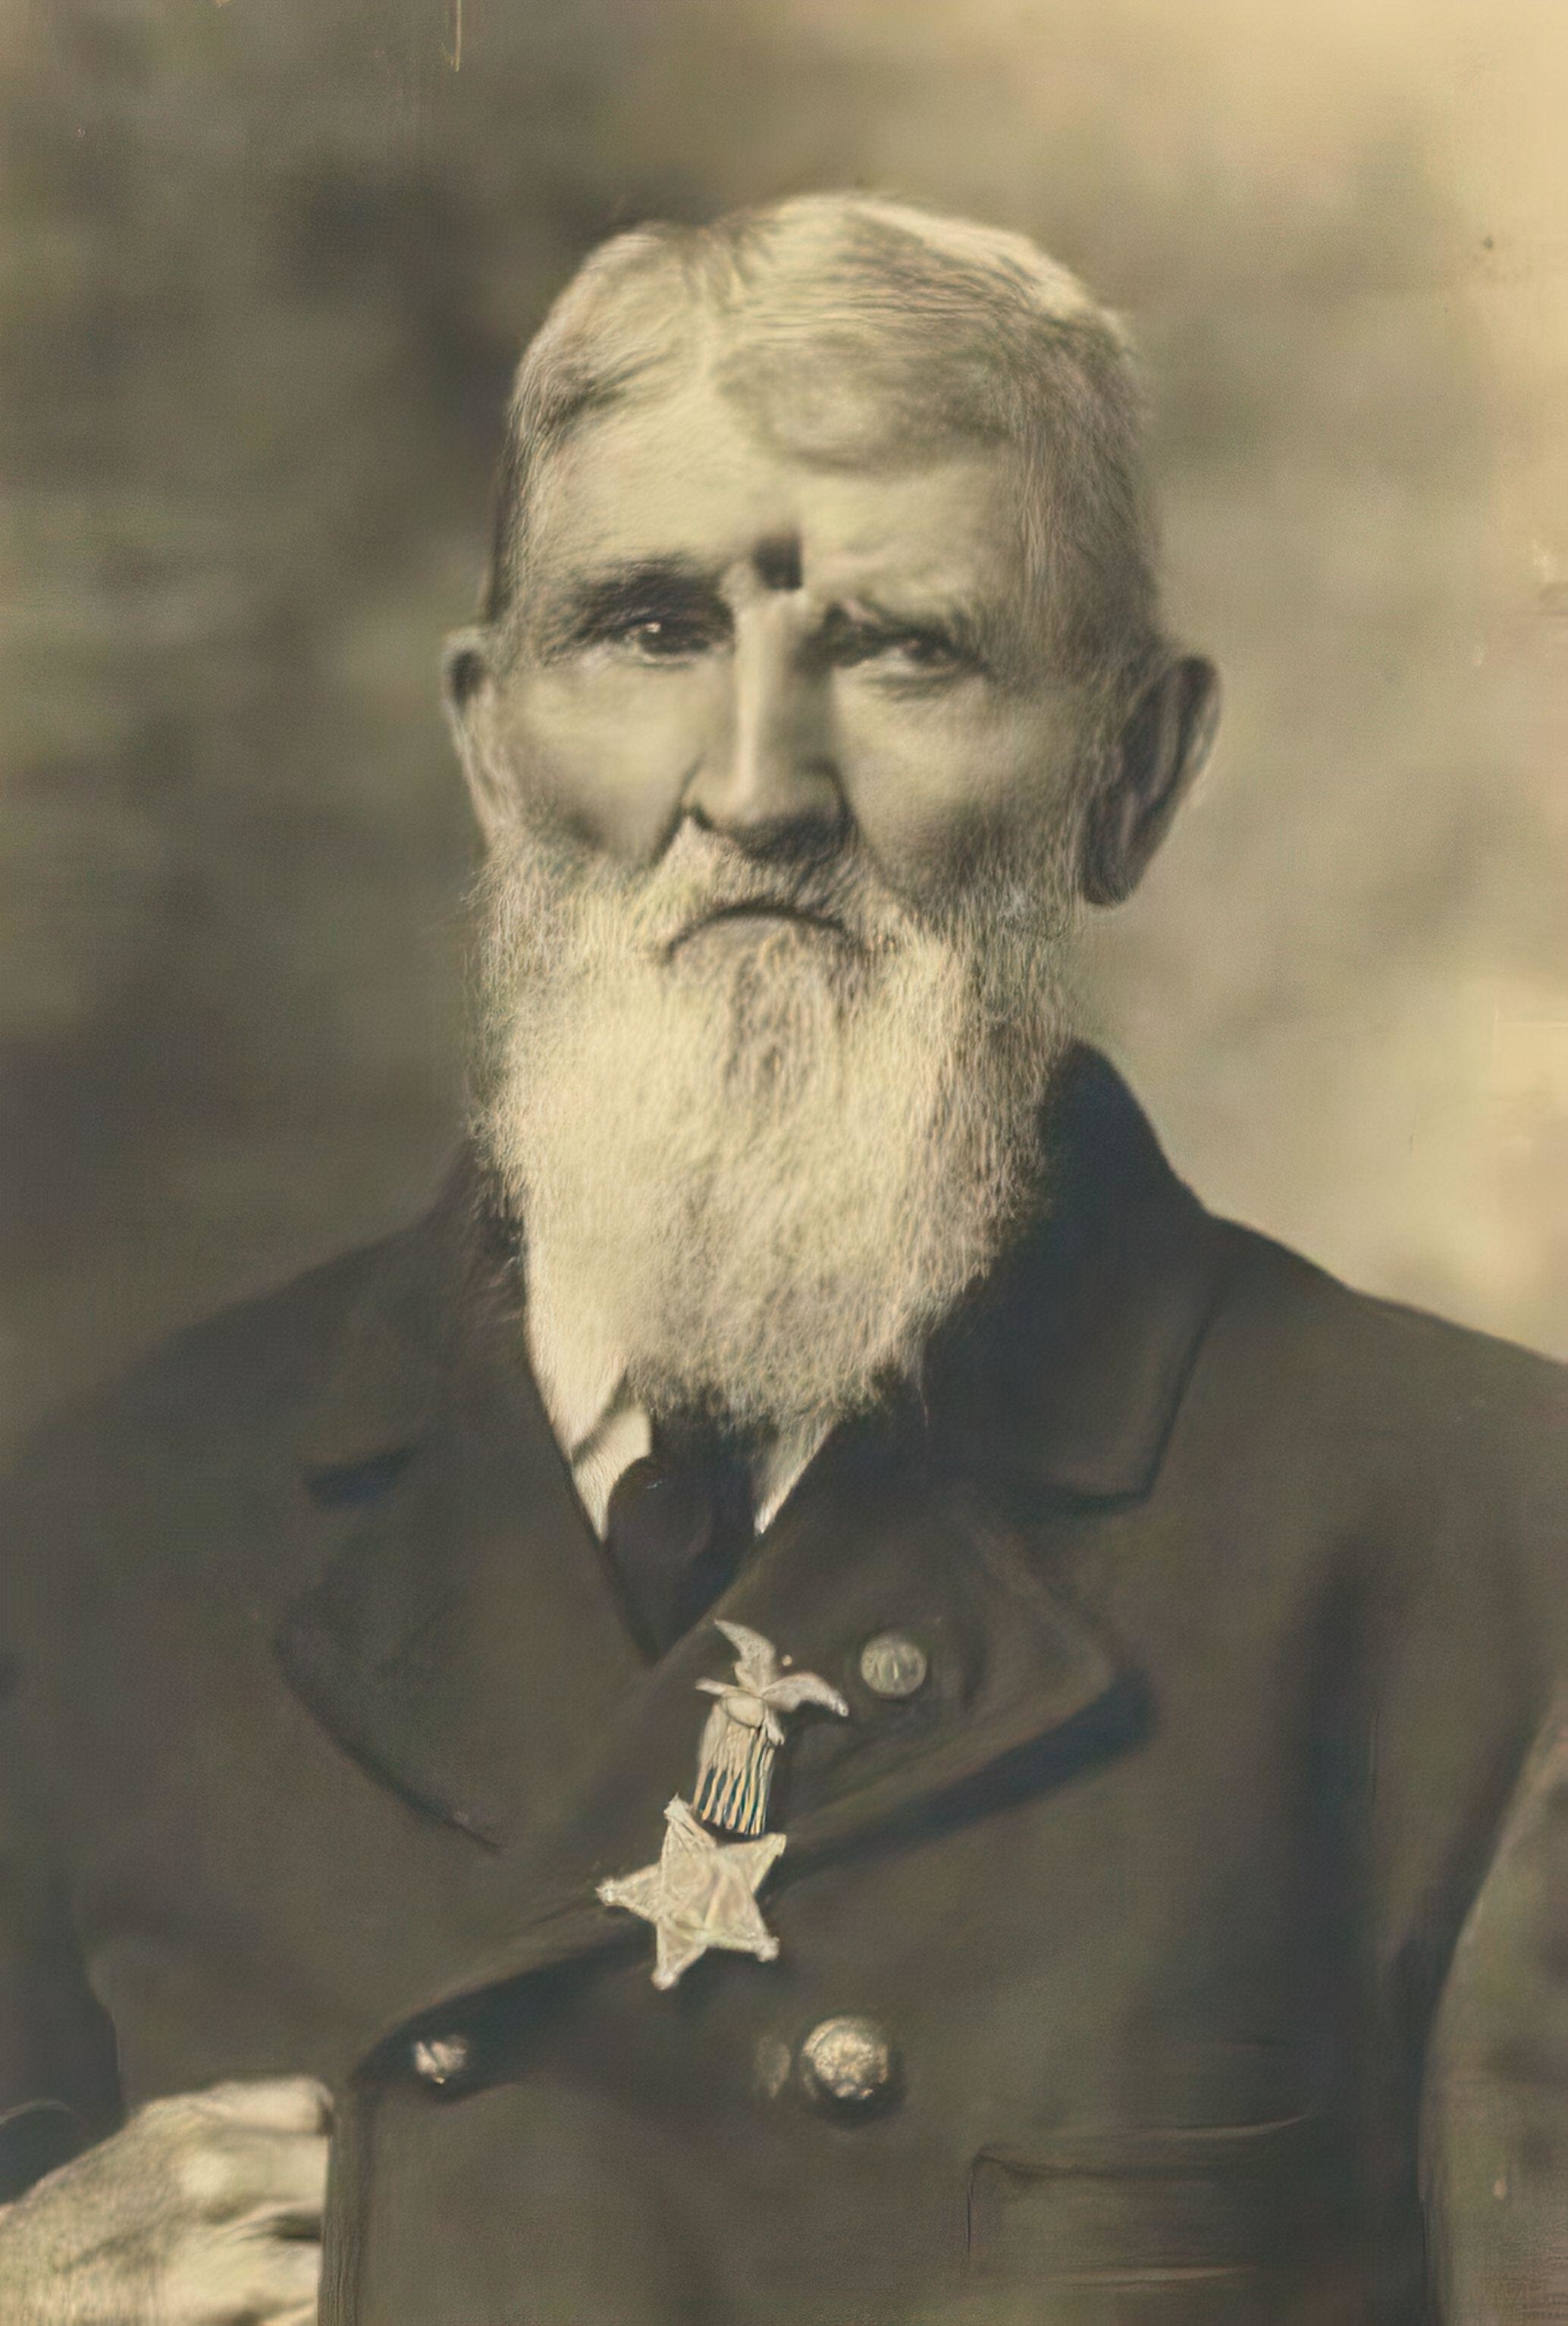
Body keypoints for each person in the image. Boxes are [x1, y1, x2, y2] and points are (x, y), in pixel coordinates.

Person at [2, 193, 1565, 2326]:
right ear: (487, 743)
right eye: (647, 628)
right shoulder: (93, 1536)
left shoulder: (1492, 1556)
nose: (754, 785)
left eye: (904, 646)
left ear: (1132, 774)